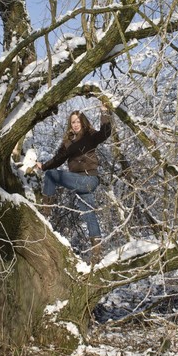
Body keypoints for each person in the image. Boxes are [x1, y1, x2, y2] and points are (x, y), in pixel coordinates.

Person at [36, 100, 112, 261]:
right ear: (70, 125)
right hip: (79, 183)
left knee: (51, 176)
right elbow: (57, 159)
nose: (76, 124)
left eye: (78, 121)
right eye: (73, 122)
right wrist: (43, 166)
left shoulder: (90, 135)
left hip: (89, 179)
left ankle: (46, 211)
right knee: (88, 214)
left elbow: (105, 132)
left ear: (82, 122)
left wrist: (104, 112)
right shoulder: (67, 143)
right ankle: (97, 252)